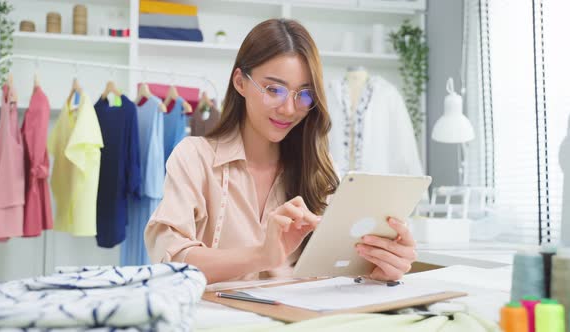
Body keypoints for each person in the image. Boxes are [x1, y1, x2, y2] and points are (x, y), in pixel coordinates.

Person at [144, 18, 417, 284]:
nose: (289, 109)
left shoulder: (320, 168)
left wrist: (373, 270)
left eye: (304, 94)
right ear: (240, 82)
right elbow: (170, 262)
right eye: (274, 90)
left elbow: (332, 271)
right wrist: (261, 256)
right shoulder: (195, 158)